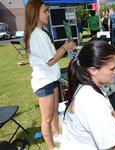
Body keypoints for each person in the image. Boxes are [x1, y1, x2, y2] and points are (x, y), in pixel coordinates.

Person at [24, 1, 75, 150]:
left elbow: (50, 55)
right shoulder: (37, 35)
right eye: (45, 11)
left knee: (53, 111)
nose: (48, 14)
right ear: (35, 14)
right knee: (46, 118)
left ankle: (57, 134)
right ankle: (52, 147)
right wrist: (65, 48)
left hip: (51, 79)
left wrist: (63, 47)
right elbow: (51, 61)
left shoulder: (42, 32)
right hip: (44, 82)